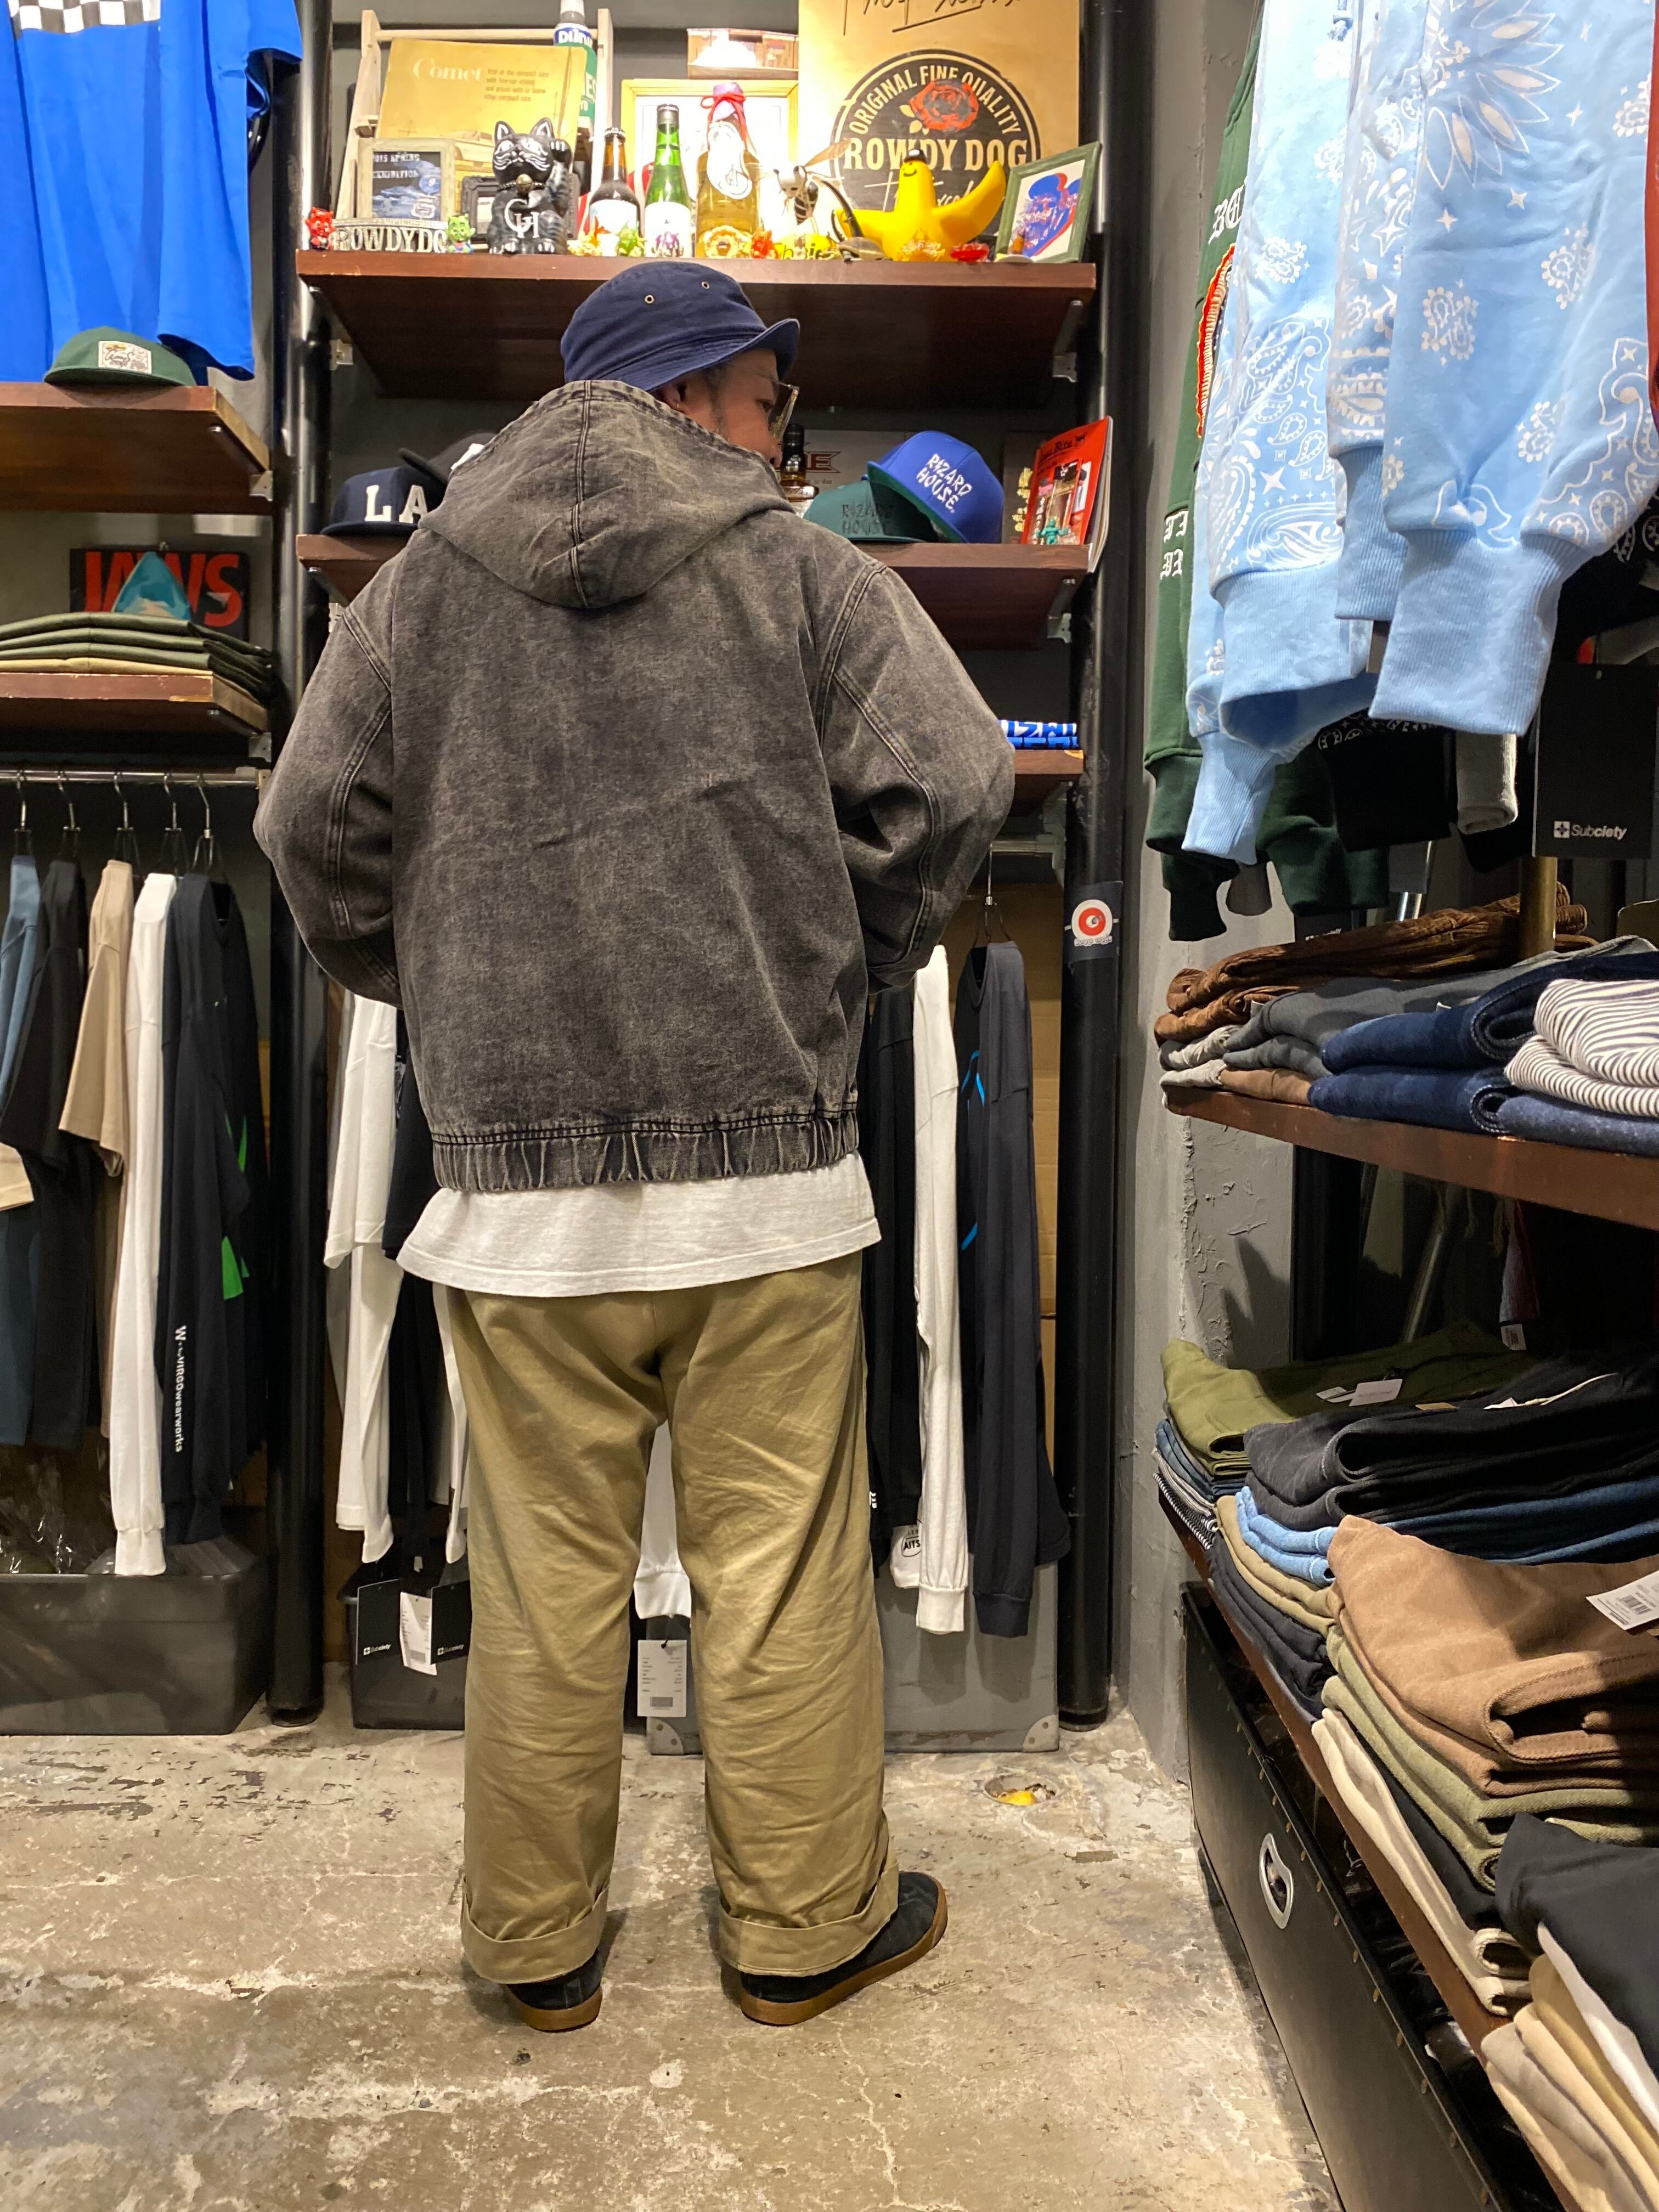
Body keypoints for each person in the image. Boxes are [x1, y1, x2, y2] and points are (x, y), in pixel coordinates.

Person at [257, 261, 1013, 2032]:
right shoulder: (804, 574)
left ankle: (535, 1950)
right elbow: (963, 777)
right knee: (778, 1581)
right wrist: (849, 958)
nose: (776, 443)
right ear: (685, 390)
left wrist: (435, 979)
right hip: (768, 1199)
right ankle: (804, 1932)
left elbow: (308, 830)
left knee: (541, 1594)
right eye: (763, 404)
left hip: (516, 1217)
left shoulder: (418, 589)